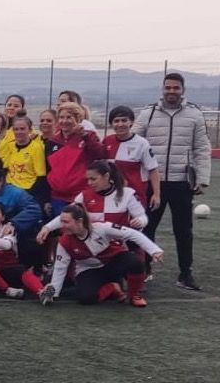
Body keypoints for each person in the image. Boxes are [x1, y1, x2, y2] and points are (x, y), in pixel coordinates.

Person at [134, 73, 210, 291]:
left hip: (181, 182)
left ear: (183, 90)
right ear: (162, 89)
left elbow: (202, 148)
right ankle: (145, 269)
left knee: (183, 230)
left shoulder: (195, 115)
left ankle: (185, 273)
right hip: (152, 183)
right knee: (146, 227)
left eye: (176, 88)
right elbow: (132, 141)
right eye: (168, 88)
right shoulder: (148, 114)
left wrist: (202, 179)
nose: (171, 92)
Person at [40, 204, 164, 308]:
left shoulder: (102, 228)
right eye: (61, 221)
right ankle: (112, 287)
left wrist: (154, 250)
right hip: (88, 270)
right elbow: (60, 268)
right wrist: (53, 293)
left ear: (79, 221)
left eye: (66, 222)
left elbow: (133, 234)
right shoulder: (64, 242)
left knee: (135, 263)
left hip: (113, 262)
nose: (62, 225)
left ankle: (134, 295)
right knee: (86, 298)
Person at [37, 160, 148, 238]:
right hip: (95, 245)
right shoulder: (84, 196)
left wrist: (140, 221)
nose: (89, 183)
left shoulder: (128, 193)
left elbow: (142, 217)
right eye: (88, 179)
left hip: (122, 243)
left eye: (93, 179)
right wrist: (47, 228)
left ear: (106, 176)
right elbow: (66, 215)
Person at [46, 102, 106, 217]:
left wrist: (85, 136)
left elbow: (100, 154)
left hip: (81, 194)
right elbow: (48, 169)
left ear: (78, 119)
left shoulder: (89, 136)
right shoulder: (53, 141)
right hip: (57, 196)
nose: (64, 121)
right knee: (61, 229)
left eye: (69, 117)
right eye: (61, 117)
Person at [104, 106, 161, 210]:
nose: (120, 124)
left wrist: (156, 195)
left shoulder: (141, 143)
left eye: (124, 120)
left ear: (131, 122)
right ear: (111, 124)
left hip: (135, 195)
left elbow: (153, 169)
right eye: (116, 121)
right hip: (112, 195)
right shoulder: (107, 141)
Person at [3, 116, 49, 204]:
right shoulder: (9, 146)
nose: (19, 132)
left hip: (27, 189)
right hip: (9, 187)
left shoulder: (37, 147)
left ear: (30, 130)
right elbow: (4, 168)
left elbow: (41, 177)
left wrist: (28, 194)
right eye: (16, 129)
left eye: (22, 129)